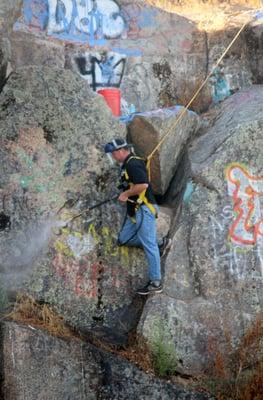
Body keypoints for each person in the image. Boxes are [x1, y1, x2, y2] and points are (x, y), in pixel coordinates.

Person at [104, 138, 163, 295]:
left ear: (120, 151)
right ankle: (160, 242)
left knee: (149, 244)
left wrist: (126, 193)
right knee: (124, 239)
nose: (113, 157)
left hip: (143, 208)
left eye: (112, 154)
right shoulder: (126, 165)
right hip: (134, 210)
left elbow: (143, 185)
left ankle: (156, 282)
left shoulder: (133, 163)